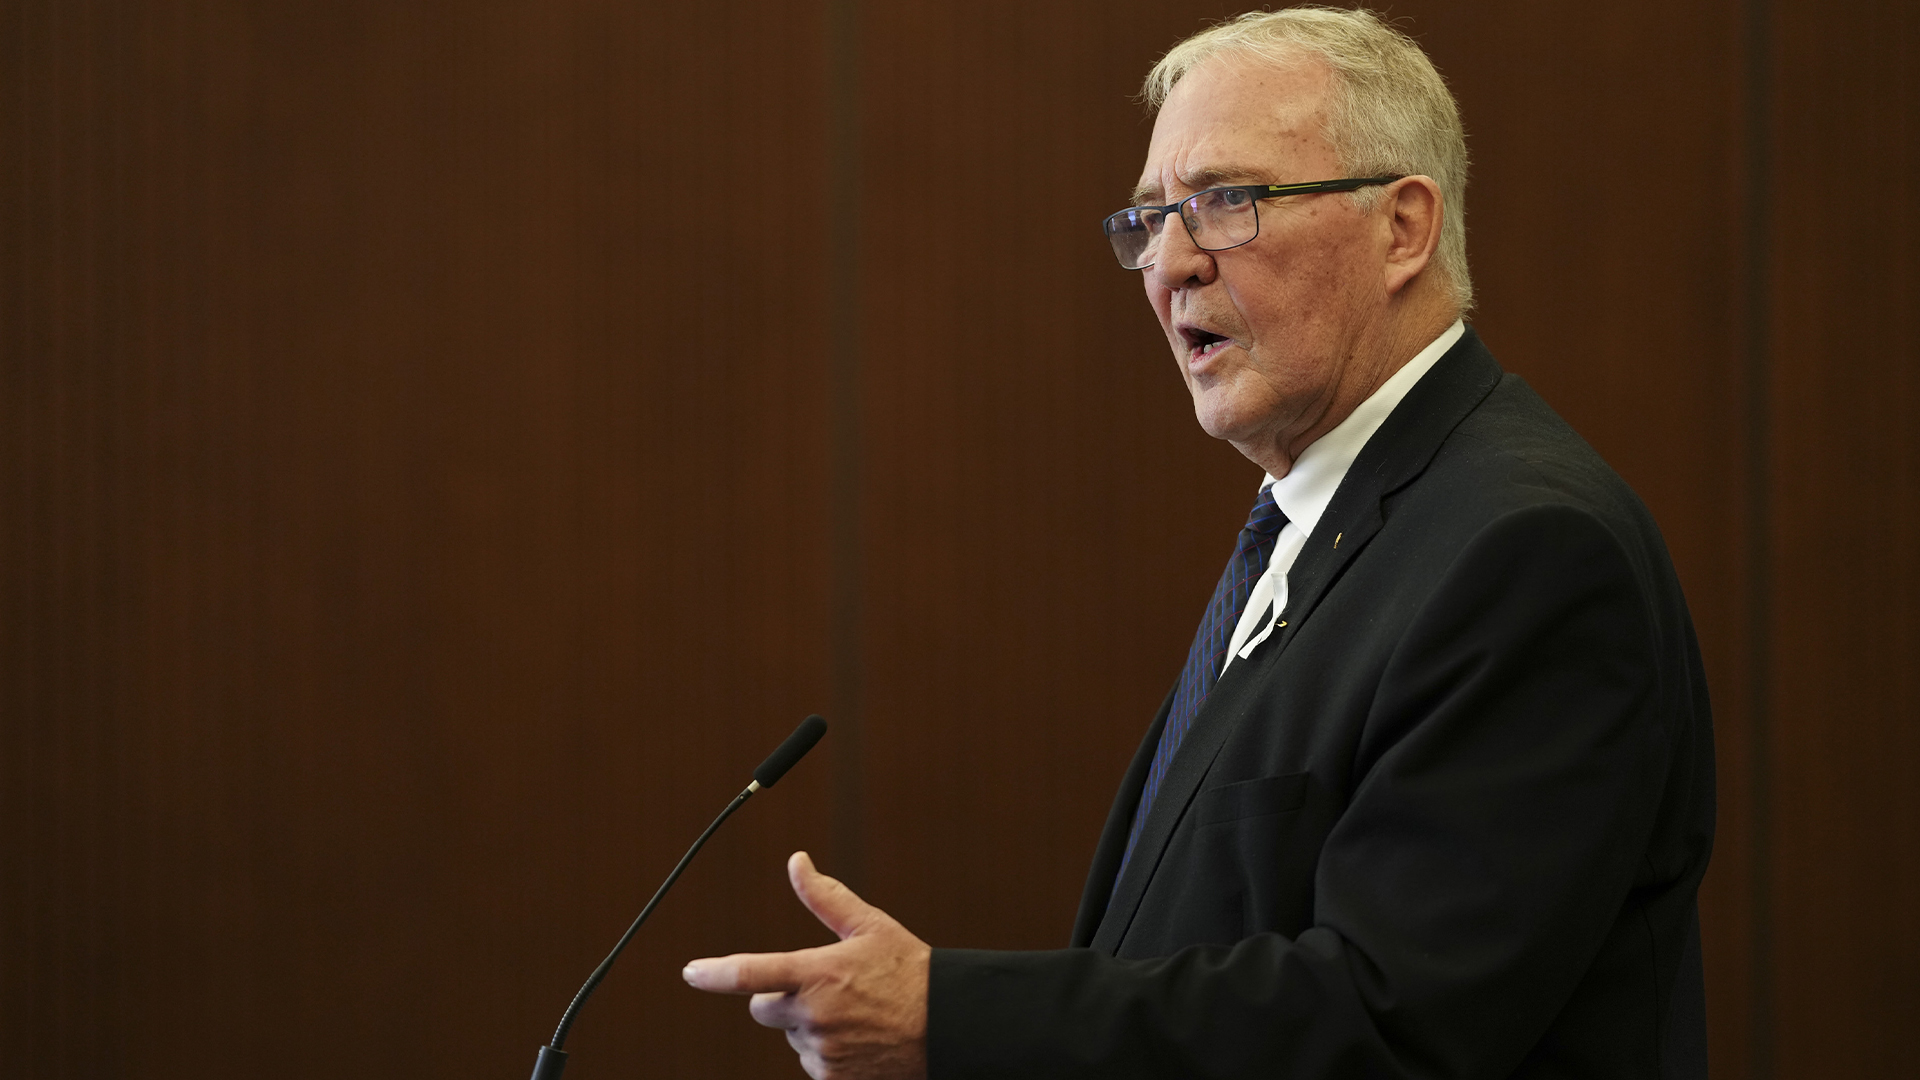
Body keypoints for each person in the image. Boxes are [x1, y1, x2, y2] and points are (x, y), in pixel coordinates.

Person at [684, 8, 1715, 1079]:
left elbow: (1391, 1019)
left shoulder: (1525, 552)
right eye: (1149, 219)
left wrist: (960, 1017)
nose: (1169, 264)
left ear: (1403, 228)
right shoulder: (1321, 527)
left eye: (1226, 202)